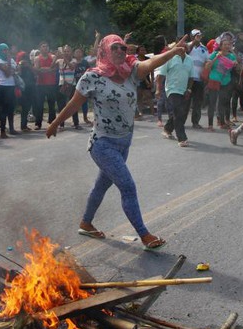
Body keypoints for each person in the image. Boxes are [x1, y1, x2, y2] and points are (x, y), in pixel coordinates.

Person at [46, 34, 187, 251]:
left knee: (101, 185)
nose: (121, 51)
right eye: (115, 48)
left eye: (123, 47)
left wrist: (173, 51)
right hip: (102, 144)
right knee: (128, 186)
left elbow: (151, 63)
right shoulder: (92, 77)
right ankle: (144, 235)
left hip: (124, 143)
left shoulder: (130, 72)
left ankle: (86, 223)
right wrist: (55, 123)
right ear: (104, 51)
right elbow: (74, 104)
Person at [157, 40, 193, 147]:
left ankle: (167, 129)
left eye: (185, 45)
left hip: (184, 90)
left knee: (182, 113)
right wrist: (158, 89)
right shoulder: (170, 58)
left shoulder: (190, 60)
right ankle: (182, 138)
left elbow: (191, 76)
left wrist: (189, 89)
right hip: (172, 89)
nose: (183, 47)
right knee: (179, 112)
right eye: (181, 45)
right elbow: (161, 75)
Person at [203, 33, 237, 131]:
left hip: (226, 82)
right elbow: (207, 66)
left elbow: (237, 66)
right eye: (225, 45)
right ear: (220, 46)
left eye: (228, 45)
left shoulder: (231, 56)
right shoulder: (215, 54)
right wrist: (216, 57)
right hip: (214, 81)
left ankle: (222, 123)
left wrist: (235, 63)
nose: (227, 46)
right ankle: (210, 125)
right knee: (212, 103)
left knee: (222, 103)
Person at [0, 43, 17, 137]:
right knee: (3, 109)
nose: (6, 52)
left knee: (11, 109)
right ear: (0, 51)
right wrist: (9, 64)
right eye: (4, 50)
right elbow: (7, 73)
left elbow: (17, 70)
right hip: (3, 86)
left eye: (7, 49)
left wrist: (10, 68)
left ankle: (11, 128)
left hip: (12, 86)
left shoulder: (11, 60)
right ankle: (2, 131)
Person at [33, 42, 58, 130]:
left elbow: (55, 69)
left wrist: (43, 69)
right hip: (40, 84)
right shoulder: (37, 58)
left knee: (51, 104)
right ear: (40, 48)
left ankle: (53, 122)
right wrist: (48, 69)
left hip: (51, 83)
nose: (45, 48)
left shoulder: (53, 57)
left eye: (47, 46)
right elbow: (36, 69)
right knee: (39, 104)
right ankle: (38, 123)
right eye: (43, 47)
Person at [55, 45, 80, 130]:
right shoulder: (59, 61)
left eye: (68, 51)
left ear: (71, 52)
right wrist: (56, 56)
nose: (66, 53)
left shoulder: (74, 60)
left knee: (73, 105)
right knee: (61, 105)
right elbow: (51, 67)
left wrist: (64, 58)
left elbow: (72, 67)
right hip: (62, 84)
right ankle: (61, 124)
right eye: (64, 51)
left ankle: (76, 123)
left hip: (72, 85)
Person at [187, 29, 208, 128]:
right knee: (185, 100)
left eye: (200, 35)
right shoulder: (187, 45)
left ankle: (195, 122)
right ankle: (181, 121)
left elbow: (206, 62)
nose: (198, 37)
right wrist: (193, 43)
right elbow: (186, 52)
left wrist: (205, 76)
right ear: (191, 37)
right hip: (188, 78)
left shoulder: (204, 48)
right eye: (196, 35)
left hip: (199, 79)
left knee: (197, 102)